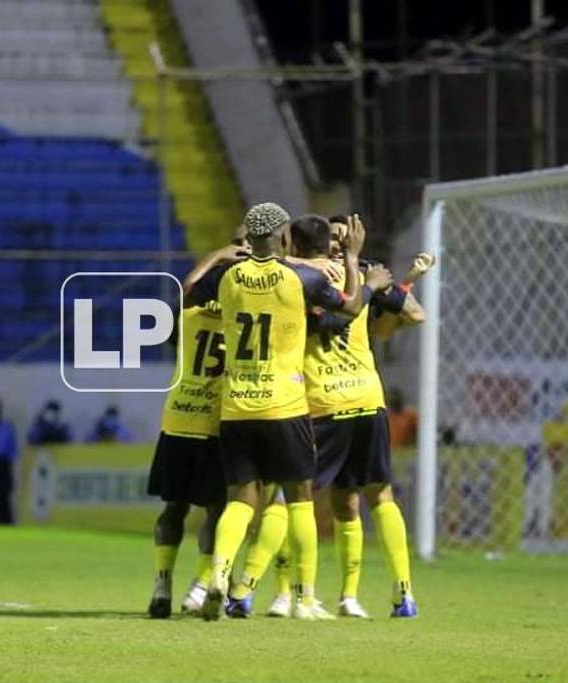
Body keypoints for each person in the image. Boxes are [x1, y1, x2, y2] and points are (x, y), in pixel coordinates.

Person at [227, 214, 425, 619]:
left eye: (342, 238)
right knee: (359, 499)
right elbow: (415, 314)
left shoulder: (297, 279)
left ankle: (250, 588)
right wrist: (389, 284)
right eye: (334, 239)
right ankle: (393, 594)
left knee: (287, 497)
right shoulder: (361, 273)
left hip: (318, 404)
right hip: (366, 399)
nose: (337, 244)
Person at [183, 202, 370, 621]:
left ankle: (218, 573)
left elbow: (189, 291)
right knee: (299, 498)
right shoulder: (302, 277)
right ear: (284, 238)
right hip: (284, 403)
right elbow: (353, 307)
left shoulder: (228, 277)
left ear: (248, 238)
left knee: (241, 499)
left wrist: (217, 254)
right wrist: (354, 257)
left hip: (236, 406)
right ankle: (303, 599)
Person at [145, 301, 227, 618]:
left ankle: (161, 586)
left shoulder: (186, 316)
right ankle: (199, 588)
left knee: (173, 508)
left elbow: (168, 330)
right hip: (217, 425)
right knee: (217, 512)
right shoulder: (243, 315)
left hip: (178, 420)